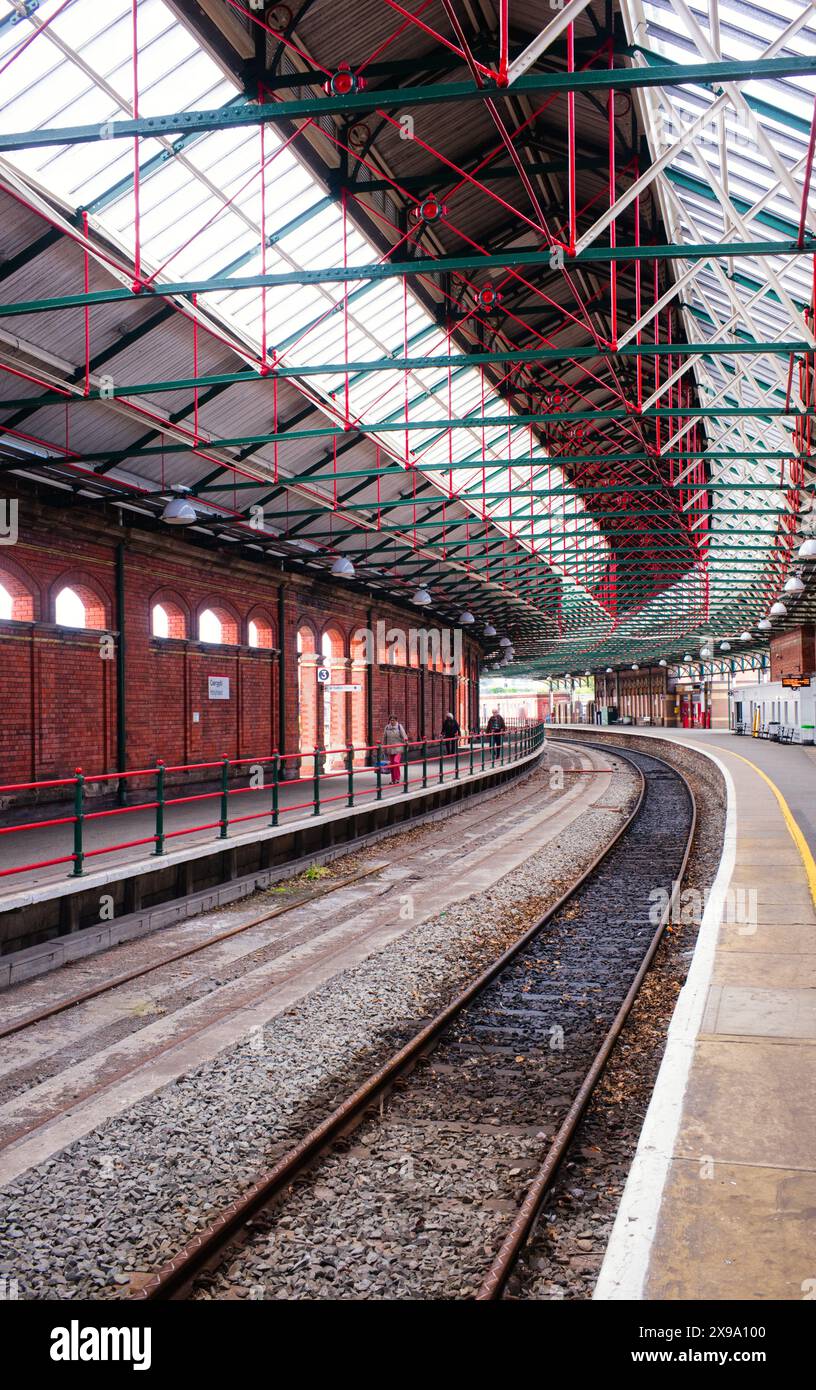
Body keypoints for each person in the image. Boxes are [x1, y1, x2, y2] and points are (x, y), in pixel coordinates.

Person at [382, 714, 407, 785]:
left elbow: (404, 736)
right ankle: (393, 780)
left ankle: (397, 778)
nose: (392, 721)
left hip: (398, 748)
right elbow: (384, 738)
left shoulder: (399, 727)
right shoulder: (387, 728)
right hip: (390, 749)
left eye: (393, 720)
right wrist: (384, 748)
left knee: (396, 762)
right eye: (391, 720)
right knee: (392, 765)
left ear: (396, 720)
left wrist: (406, 744)